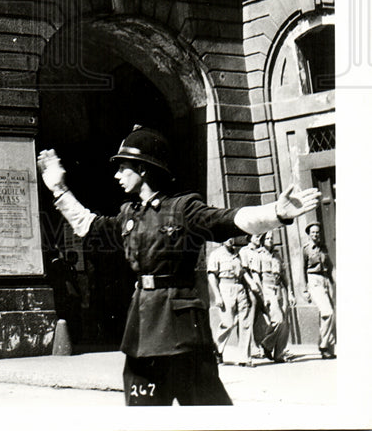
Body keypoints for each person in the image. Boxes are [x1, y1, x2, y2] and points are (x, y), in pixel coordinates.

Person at [37, 125, 320, 406]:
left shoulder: (184, 208)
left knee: (208, 415)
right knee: (143, 414)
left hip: (183, 334)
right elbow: (89, 226)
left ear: (143, 169)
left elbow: (228, 220)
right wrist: (59, 189)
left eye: (123, 167)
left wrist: (275, 213)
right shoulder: (129, 214)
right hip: (141, 331)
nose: (117, 175)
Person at [207, 237, 256, 366]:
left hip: (240, 288)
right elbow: (212, 276)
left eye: (232, 237)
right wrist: (217, 295)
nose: (231, 240)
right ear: (222, 239)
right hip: (225, 288)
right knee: (228, 322)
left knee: (245, 323)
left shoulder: (237, 254)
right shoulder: (216, 254)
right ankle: (217, 349)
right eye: (227, 237)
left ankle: (244, 358)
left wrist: (251, 283)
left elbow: (243, 272)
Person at [253, 233, 292, 362]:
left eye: (271, 238)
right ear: (263, 240)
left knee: (285, 323)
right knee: (278, 320)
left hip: (279, 288)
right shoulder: (258, 255)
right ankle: (266, 344)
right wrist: (263, 295)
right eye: (267, 238)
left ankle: (279, 355)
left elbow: (284, 276)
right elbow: (256, 276)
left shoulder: (277, 255)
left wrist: (290, 292)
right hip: (267, 288)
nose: (270, 241)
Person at [302, 222, 336, 359]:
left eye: (317, 232)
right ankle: (323, 344)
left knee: (329, 315)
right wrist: (305, 289)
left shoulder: (323, 247)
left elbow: (330, 266)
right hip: (314, 280)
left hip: (326, 281)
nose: (316, 235)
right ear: (309, 234)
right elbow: (302, 270)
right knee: (328, 312)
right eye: (313, 232)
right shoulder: (306, 248)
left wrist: (334, 282)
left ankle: (329, 349)